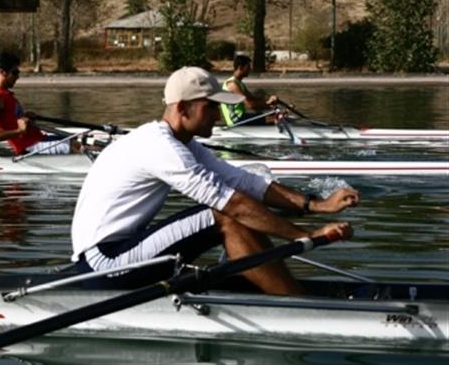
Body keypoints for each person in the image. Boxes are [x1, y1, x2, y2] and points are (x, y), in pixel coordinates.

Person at [71, 66, 359, 295]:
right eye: (210, 108)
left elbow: (244, 182)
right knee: (226, 215)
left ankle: (287, 293)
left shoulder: (181, 142)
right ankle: (298, 307)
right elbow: (233, 205)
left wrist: (316, 205)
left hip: (124, 251)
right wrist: (304, 236)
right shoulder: (158, 146)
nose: (219, 117)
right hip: (103, 264)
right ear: (183, 109)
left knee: (237, 208)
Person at [0, 51, 75, 155]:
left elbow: (12, 119)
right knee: (78, 146)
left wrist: (25, 116)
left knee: (78, 140)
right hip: (29, 146)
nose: (18, 76)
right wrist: (19, 131)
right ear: (2, 72)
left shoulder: (6, 95)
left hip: (39, 139)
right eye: (15, 72)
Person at [220, 54, 279, 126]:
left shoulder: (239, 83)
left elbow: (254, 99)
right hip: (236, 120)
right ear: (240, 68)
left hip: (241, 117)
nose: (250, 70)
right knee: (274, 118)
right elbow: (250, 105)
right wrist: (268, 103)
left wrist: (270, 101)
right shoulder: (232, 85)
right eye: (248, 67)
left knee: (273, 115)